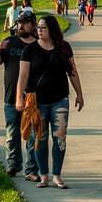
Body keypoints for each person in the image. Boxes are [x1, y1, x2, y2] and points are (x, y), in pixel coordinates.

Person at [15, 13, 85, 188]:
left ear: (52, 29)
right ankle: (44, 175)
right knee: (40, 138)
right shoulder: (30, 50)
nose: (39, 30)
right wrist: (19, 98)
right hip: (37, 102)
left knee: (60, 137)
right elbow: (23, 75)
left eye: (43, 27)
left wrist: (79, 94)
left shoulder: (64, 47)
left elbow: (72, 72)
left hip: (59, 99)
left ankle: (57, 175)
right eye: (38, 27)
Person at [0, 9, 39, 177]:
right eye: (19, 22)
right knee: (12, 133)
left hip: (32, 99)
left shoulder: (38, 45)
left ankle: (32, 169)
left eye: (25, 23)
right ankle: (13, 164)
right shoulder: (9, 42)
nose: (21, 26)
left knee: (32, 136)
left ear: (33, 25)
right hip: (11, 97)